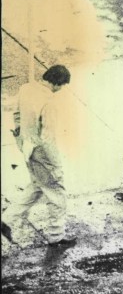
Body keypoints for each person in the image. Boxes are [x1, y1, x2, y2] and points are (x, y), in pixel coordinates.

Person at [10, 65, 72, 246]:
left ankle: (6, 220)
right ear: (56, 83)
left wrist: (22, 140)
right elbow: (47, 137)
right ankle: (56, 235)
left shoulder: (26, 88)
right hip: (42, 153)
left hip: (26, 147)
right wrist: (56, 166)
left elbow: (17, 115)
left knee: (36, 187)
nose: (60, 89)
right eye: (61, 85)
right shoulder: (49, 101)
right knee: (57, 193)